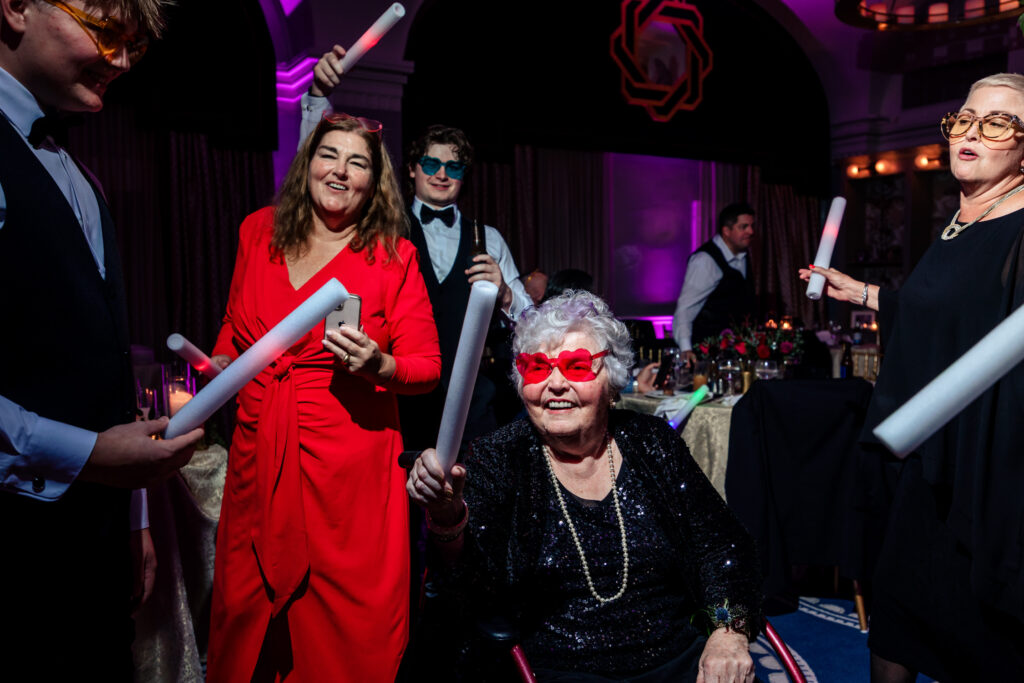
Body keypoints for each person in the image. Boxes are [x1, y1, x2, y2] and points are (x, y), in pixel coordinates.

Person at [408, 290, 761, 682]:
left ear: (611, 382)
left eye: (576, 366)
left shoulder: (653, 442)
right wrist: (448, 517)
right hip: (559, 670)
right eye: (537, 368)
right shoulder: (499, 456)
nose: (555, 384)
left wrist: (728, 632)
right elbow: (469, 590)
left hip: (679, 660)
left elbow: (722, 546)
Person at [0, 1, 203, 679]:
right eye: (105, 31)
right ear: (16, 8)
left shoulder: (83, 175)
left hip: (93, 548)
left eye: (132, 46)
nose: (119, 60)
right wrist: (88, 455)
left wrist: (133, 513)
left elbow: (103, 365)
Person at [799, 73, 1024, 681]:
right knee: (897, 621)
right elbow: (945, 315)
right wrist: (864, 293)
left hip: (983, 475)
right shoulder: (959, 221)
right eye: (966, 119)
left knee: (980, 637)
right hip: (925, 466)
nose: (972, 132)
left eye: (998, 123)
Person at [206, 112, 441, 682]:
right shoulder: (257, 231)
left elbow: (428, 368)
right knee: (247, 614)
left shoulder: (393, 256)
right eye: (328, 155)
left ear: (374, 182)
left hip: (347, 477)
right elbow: (233, 328)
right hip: (259, 456)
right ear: (306, 164)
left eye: (357, 163)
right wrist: (219, 365)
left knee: (342, 631)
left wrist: (378, 364)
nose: (339, 171)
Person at [302, 47, 531, 449]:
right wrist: (318, 96)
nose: (442, 174)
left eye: (453, 167)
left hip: (471, 404)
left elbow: (532, 326)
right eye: (431, 164)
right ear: (411, 169)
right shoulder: (380, 228)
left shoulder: (488, 238)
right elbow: (319, 177)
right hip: (396, 397)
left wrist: (507, 295)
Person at [673, 202, 756, 365]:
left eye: (752, 226)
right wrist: (686, 349)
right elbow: (685, 308)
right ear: (726, 231)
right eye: (743, 227)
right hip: (706, 354)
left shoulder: (743, 254)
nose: (751, 232)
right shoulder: (705, 261)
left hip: (732, 353)